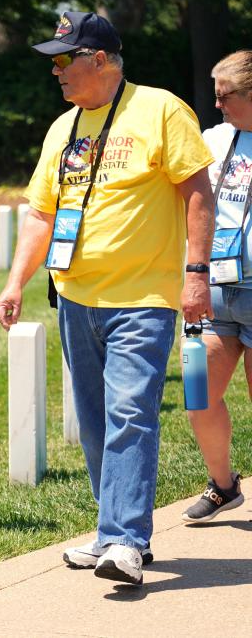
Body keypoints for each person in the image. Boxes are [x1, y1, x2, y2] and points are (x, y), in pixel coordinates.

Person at [0, 11, 215, 585]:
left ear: (101, 60)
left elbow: (197, 190)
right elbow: (42, 212)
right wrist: (16, 280)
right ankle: (110, 530)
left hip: (142, 294)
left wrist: (195, 274)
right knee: (94, 423)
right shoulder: (62, 127)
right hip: (75, 297)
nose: (56, 72)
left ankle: (125, 540)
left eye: (65, 60)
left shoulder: (161, 109)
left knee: (129, 413)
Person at [180, 51, 252, 523]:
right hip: (217, 290)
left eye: (225, 96)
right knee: (197, 390)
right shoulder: (213, 140)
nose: (218, 105)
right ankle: (224, 484)